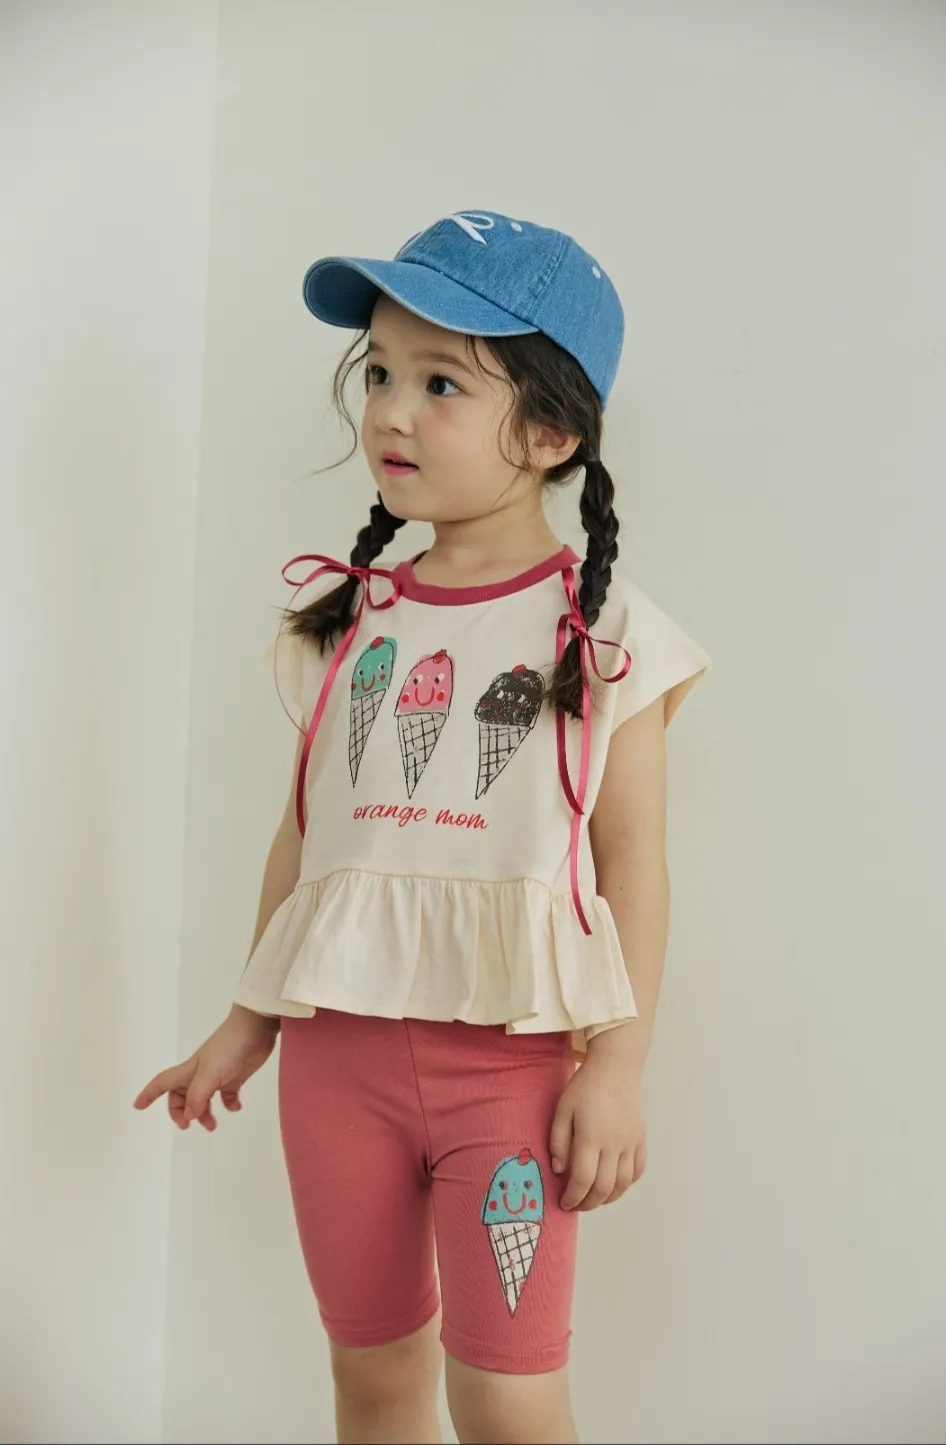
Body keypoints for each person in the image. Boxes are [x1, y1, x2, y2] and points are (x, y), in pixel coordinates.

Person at [134, 208, 712, 1445]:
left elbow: (634, 866)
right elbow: (308, 837)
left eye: (441, 382)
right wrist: (247, 1017)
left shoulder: (608, 638)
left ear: (551, 432)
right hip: (333, 1065)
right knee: (374, 1373)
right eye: (380, 373)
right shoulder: (346, 619)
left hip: (511, 1071)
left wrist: (618, 1065)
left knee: (507, 1393)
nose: (392, 412)